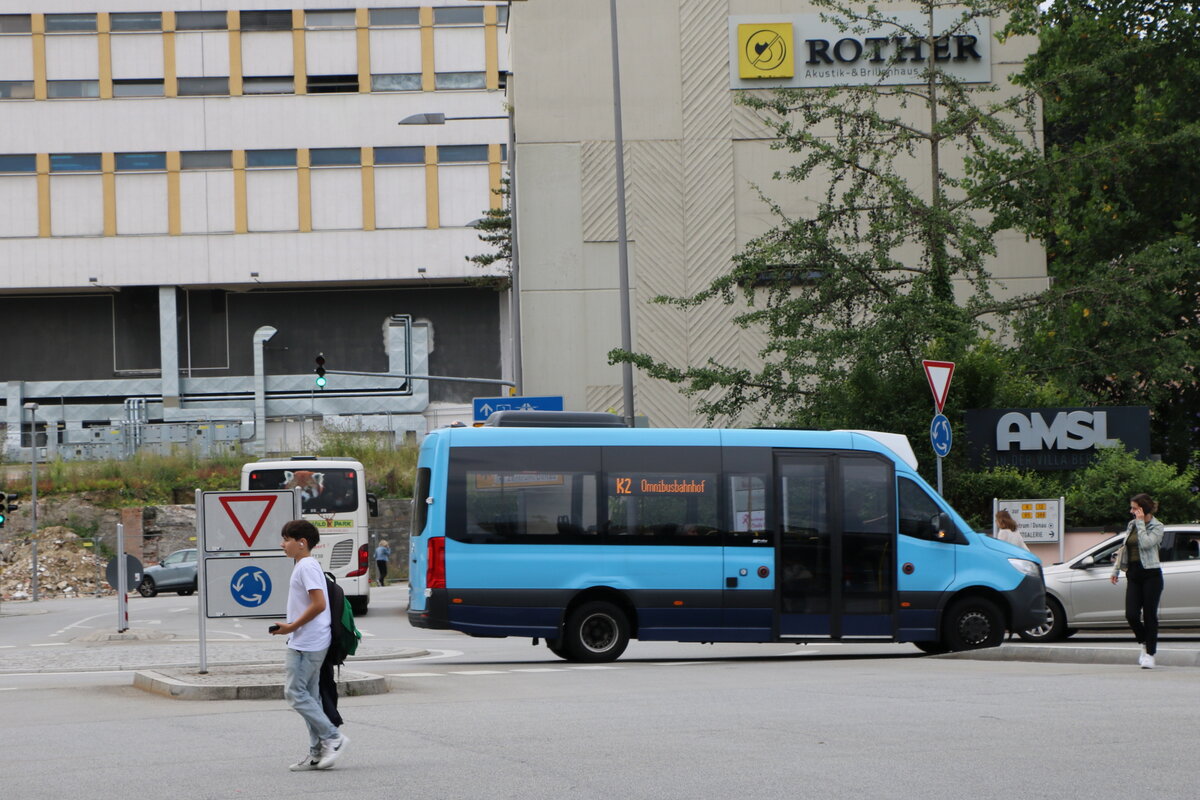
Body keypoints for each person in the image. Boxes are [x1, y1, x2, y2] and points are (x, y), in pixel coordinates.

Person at [271, 519, 350, 770]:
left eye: (286, 539)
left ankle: (333, 737)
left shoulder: (306, 566)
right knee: (311, 697)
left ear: (301, 543)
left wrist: (291, 627)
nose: (282, 544)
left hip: (307, 642)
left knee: (294, 693)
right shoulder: (306, 565)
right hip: (308, 639)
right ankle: (317, 752)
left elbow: (318, 604)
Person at [1110, 493, 1165, 669]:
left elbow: (1146, 544)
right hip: (1133, 574)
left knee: (1150, 616)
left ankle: (1150, 654)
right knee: (1131, 614)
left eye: (1134, 508)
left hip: (1151, 575)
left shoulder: (1157, 526)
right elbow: (1124, 548)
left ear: (1143, 509)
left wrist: (1141, 523)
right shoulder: (1131, 524)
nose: (1131, 511)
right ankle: (1144, 642)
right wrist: (1116, 569)